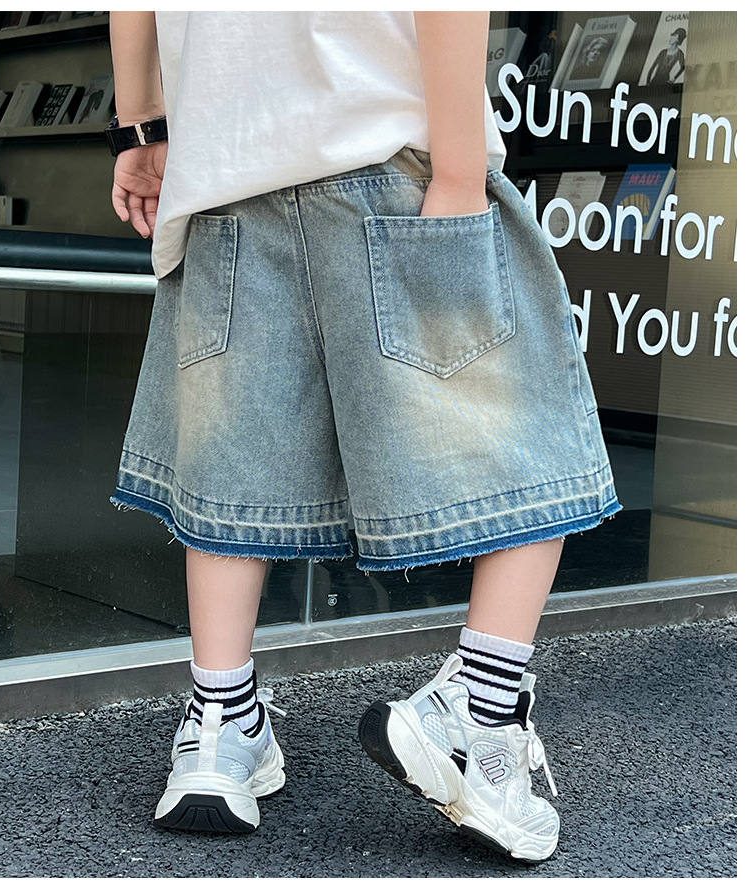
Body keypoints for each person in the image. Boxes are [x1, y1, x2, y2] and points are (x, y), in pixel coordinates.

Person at [108, 11, 620, 863]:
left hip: (226, 177)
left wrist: (143, 129)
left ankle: (219, 727)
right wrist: (460, 172)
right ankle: (483, 712)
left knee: (233, 457)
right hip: (385, 152)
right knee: (535, 435)